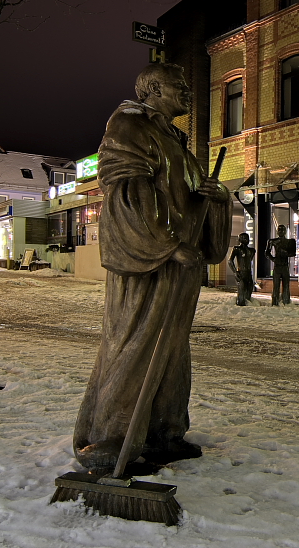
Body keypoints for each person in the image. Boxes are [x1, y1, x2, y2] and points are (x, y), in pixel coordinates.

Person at [73, 63, 231, 473]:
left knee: (173, 349)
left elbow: (190, 196)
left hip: (180, 266)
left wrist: (216, 199)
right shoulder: (129, 125)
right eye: (179, 86)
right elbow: (125, 190)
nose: (186, 92)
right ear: (153, 89)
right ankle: (112, 436)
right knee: (135, 342)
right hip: (147, 264)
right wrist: (166, 244)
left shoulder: (176, 139)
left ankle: (164, 431)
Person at [264, 224, 296, 306]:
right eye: (279, 230)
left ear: (285, 231)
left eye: (282, 230)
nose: (281, 231)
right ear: (277, 231)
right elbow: (267, 252)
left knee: (286, 285)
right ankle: (275, 302)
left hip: (285, 266)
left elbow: (293, 253)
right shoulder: (272, 241)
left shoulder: (290, 241)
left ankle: (286, 301)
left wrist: (286, 253)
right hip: (277, 266)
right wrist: (273, 259)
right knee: (276, 286)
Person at [228, 232, 256, 306]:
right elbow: (230, 261)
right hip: (241, 272)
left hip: (248, 273)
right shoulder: (236, 249)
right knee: (242, 289)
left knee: (249, 288)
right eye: (244, 238)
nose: (247, 240)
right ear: (240, 239)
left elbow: (250, 259)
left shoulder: (252, 250)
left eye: (247, 238)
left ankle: (247, 304)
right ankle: (240, 304)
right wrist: (235, 272)